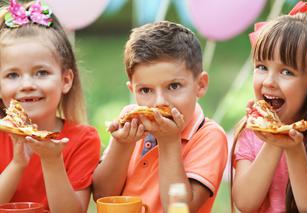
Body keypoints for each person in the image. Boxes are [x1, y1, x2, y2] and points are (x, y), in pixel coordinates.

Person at [93, 21, 228, 213]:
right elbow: (101, 195)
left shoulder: (208, 136)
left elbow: (181, 208)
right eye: (145, 90)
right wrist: (122, 145)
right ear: (133, 90)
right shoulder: (131, 122)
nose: (159, 102)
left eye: (173, 86)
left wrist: (169, 142)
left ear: (200, 85)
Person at [0, 0, 100, 212]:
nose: (27, 85)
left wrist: (52, 160)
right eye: (13, 75)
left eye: (41, 73)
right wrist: (18, 164)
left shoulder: (83, 140)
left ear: (66, 80)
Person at [232, 1, 307, 212]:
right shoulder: (250, 133)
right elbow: (244, 203)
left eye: (286, 72)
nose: (269, 81)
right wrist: (273, 140)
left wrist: (294, 150)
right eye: (262, 67)